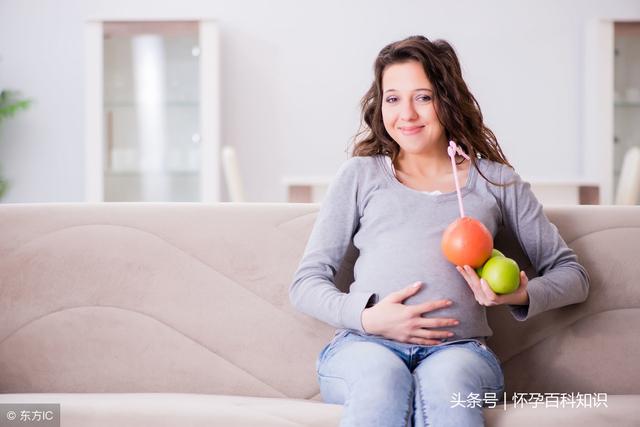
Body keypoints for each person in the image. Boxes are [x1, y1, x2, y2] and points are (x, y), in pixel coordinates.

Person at [288, 35, 589, 427]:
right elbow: (306, 283)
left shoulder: (494, 181)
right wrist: (367, 318)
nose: (407, 114)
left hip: (461, 352)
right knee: (382, 381)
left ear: (447, 100)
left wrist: (518, 293)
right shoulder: (360, 176)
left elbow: (574, 277)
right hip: (364, 346)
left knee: (448, 388)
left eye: (423, 97)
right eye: (393, 98)